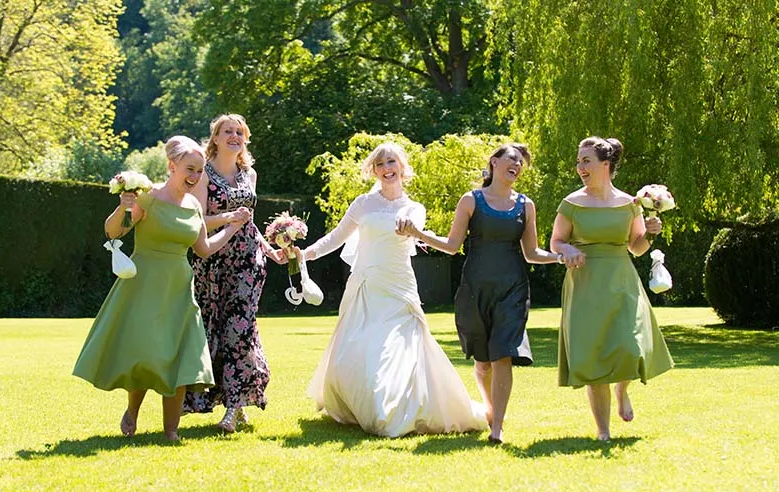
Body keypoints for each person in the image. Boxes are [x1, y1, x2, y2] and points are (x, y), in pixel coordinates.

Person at [297, 142, 488, 437]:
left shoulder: (414, 208)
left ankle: (396, 409)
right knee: (360, 346)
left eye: (392, 162)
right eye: (381, 164)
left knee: (400, 348)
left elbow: (416, 230)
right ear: (374, 170)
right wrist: (303, 254)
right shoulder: (362, 204)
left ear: (402, 168)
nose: (387, 169)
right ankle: (365, 404)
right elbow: (335, 238)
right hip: (366, 284)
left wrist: (410, 228)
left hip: (398, 285)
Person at [73, 136, 245, 441]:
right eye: (189, 169)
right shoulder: (148, 197)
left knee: (180, 355)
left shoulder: (194, 205)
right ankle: (132, 412)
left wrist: (231, 227)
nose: (194, 177)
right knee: (146, 352)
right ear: (172, 166)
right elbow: (115, 231)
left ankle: (171, 430)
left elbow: (203, 249)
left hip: (179, 287)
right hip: (144, 285)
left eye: (199, 171)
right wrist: (124, 207)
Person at [396, 143, 562, 444]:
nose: (517, 165)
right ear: (494, 162)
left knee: (503, 356)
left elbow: (532, 252)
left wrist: (561, 257)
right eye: (512, 159)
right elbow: (451, 245)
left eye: (521, 163)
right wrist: (417, 234)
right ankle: (489, 407)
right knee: (483, 363)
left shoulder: (526, 205)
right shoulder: (471, 200)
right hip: (475, 289)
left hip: (512, 289)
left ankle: (497, 427)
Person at [550, 136, 674, 441]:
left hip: (621, 281)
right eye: (579, 161)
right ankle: (603, 431)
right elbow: (556, 242)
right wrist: (566, 251)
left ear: (606, 164)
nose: (580, 167)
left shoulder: (629, 204)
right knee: (594, 359)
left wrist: (651, 233)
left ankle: (623, 389)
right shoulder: (571, 203)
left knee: (630, 348)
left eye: (586, 161)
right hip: (585, 284)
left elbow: (636, 247)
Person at [183, 114, 285, 433]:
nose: (234, 136)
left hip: (247, 262)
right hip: (212, 261)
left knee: (240, 328)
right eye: (227, 131)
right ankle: (203, 399)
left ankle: (234, 408)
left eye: (239, 132)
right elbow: (197, 221)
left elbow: (250, 223)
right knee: (211, 329)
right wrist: (229, 217)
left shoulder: (248, 174)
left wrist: (271, 250)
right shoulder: (203, 174)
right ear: (214, 138)